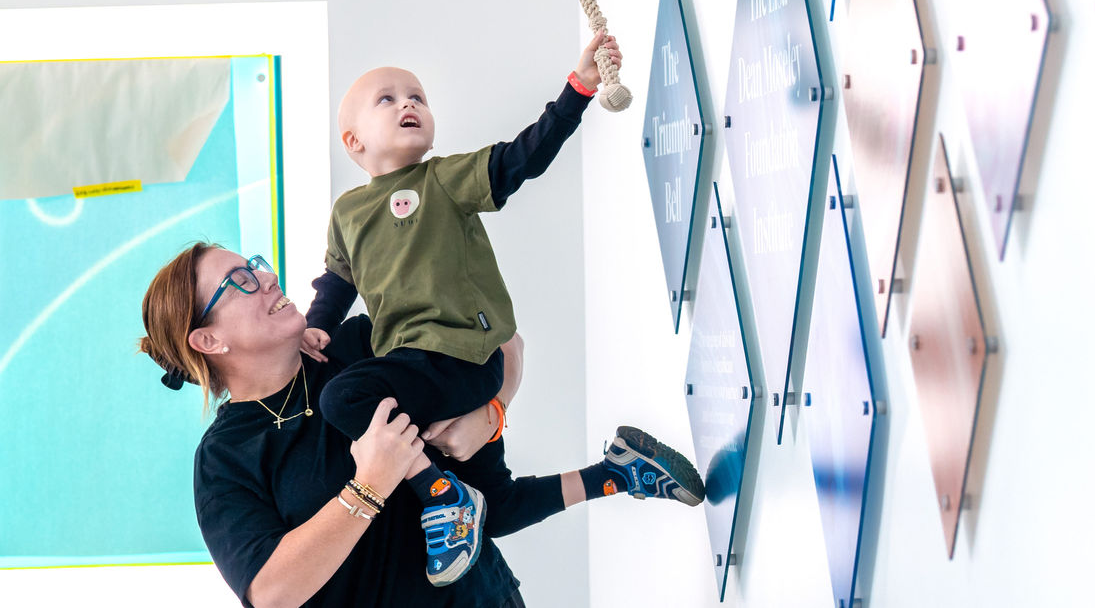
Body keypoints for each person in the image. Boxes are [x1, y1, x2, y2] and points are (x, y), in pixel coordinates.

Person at [303, 30, 704, 585]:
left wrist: (579, 89)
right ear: (354, 142)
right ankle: (618, 472)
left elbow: (524, 157)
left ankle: (439, 492)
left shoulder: (443, 179)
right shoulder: (348, 210)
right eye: (388, 99)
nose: (409, 104)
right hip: (418, 371)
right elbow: (336, 280)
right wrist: (317, 329)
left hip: (460, 357)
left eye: (417, 95)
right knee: (498, 508)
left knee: (343, 396)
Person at [140, 243, 533, 608]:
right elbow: (272, 592)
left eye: (255, 266)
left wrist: (492, 414)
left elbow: (501, 341)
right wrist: (369, 487)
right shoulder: (223, 457)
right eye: (240, 281)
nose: (268, 278)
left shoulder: (359, 343)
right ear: (208, 340)